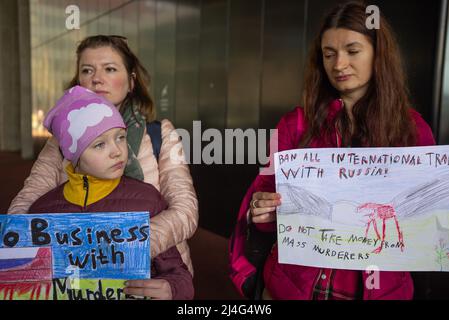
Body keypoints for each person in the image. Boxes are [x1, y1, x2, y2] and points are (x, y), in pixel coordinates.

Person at [239, 2, 435, 300]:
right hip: (293, 288)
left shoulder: (412, 130)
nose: (339, 64)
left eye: (352, 51)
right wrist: (262, 212)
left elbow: (427, 225)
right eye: (329, 54)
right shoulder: (295, 124)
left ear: (378, 53)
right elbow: (263, 209)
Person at [8, 35, 198, 291]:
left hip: (153, 269)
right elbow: (27, 202)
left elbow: (185, 210)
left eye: (109, 69)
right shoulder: (60, 142)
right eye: (87, 70)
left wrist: (126, 244)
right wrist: (24, 244)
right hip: (74, 278)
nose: (97, 78)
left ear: (131, 82)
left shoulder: (160, 134)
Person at [28, 86, 194, 300]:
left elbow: (178, 274)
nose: (117, 151)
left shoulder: (148, 200)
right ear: (73, 156)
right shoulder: (41, 211)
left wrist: (171, 289)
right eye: (99, 145)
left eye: (120, 137)